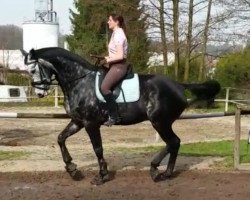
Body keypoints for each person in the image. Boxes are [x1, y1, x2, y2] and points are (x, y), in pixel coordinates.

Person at [101, 14, 128, 126]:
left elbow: (120, 56)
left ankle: (114, 116)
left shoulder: (119, 35)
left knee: (104, 88)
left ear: (116, 22)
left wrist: (108, 59)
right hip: (114, 65)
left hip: (119, 66)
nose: (108, 22)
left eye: (110, 20)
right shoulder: (115, 33)